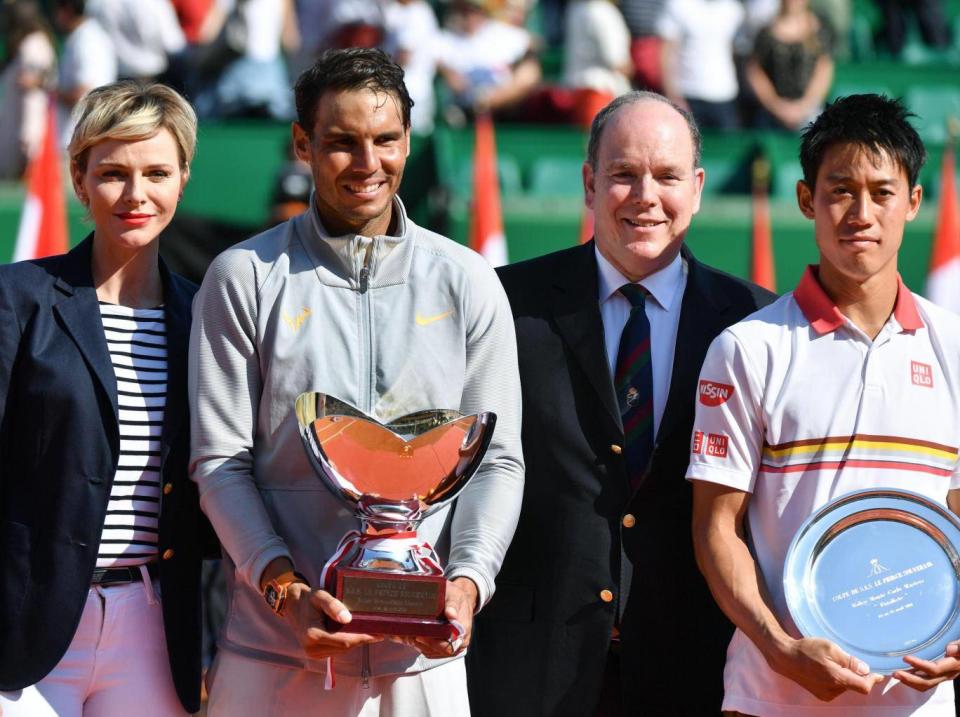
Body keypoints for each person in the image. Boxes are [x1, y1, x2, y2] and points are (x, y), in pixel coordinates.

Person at [188, 47, 523, 715]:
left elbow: (496, 459)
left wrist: (467, 581)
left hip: (423, 661)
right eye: (342, 142)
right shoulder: (244, 277)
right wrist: (284, 590)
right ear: (303, 144)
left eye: (385, 140)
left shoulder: (467, 280)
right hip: (275, 654)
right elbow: (221, 461)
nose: (368, 163)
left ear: (408, 140)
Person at [467, 91, 775, 716]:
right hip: (531, 669)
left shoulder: (754, 321)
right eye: (623, 175)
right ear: (588, 183)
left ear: (696, 187)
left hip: (693, 667)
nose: (645, 196)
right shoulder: (504, 302)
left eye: (665, 176)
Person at [689, 93, 960, 716]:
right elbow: (714, 530)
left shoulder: (953, 349)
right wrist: (782, 651)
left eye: (882, 192)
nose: (861, 213)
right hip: (770, 700)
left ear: (913, 203)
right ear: (807, 199)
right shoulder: (746, 349)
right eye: (841, 190)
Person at [0, 79, 213, 715]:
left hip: (153, 630)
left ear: (182, 180)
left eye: (156, 172)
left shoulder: (205, 315)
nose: (136, 194)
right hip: (25, 626)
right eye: (114, 173)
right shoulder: (17, 299)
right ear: (79, 179)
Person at [745, 0, 834, 131]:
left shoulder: (819, 30)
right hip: (771, 114)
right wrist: (777, 106)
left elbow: (824, 70)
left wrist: (804, 106)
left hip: (810, 113)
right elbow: (755, 72)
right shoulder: (766, 32)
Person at [0, 0, 56, 179]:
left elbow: (33, 94)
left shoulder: (33, 44)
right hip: (14, 130)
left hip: (28, 134)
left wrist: (28, 136)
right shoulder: (25, 43)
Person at [54, 0, 117, 148]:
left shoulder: (87, 40)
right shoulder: (82, 36)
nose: (55, 17)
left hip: (82, 137)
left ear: (68, 10)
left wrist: (51, 92)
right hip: (79, 136)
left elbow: (84, 92)